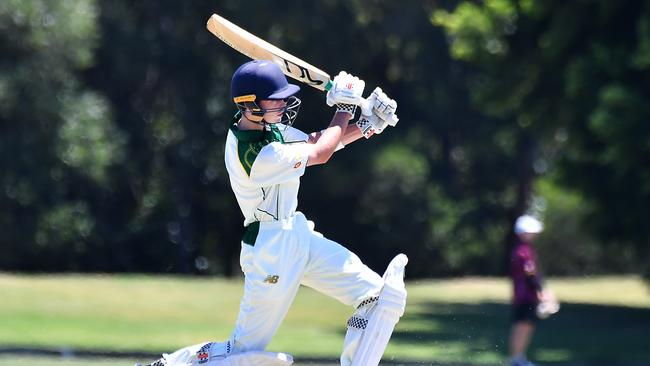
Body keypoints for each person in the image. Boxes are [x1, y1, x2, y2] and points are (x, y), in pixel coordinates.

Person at [140, 60, 407, 366]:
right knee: (242, 352)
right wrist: (345, 107)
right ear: (250, 105)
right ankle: (172, 365)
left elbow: (315, 143)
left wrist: (366, 125)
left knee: (375, 298)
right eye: (274, 99)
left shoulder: (269, 130)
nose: (283, 103)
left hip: (297, 234)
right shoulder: (256, 154)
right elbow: (320, 154)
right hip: (271, 250)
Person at [508, 215, 559, 366]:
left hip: (521, 296)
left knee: (522, 326)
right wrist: (540, 291)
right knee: (524, 327)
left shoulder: (520, 249)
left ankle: (518, 358)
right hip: (526, 297)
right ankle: (517, 359)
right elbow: (530, 274)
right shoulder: (524, 251)